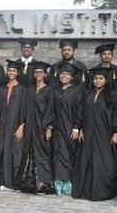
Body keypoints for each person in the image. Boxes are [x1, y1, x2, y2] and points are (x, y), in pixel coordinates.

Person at [73, 67, 117, 201]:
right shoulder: (88, 94)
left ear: (106, 80)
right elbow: (82, 112)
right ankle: (86, 190)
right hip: (88, 132)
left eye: (100, 78)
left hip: (105, 133)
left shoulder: (112, 95)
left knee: (103, 161)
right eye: (95, 78)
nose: (97, 81)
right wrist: (79, 128)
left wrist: (116, 132)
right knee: (86, 159)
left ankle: (101, 192)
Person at [18, 61, 55, 194]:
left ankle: (44, 184)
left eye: (41, 72)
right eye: (36, 72)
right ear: (33, 74)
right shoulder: (30, 90)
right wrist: (22, 125)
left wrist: (49, 128)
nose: (38, 74)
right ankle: (30, 183)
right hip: (29, 127)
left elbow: (51, 110)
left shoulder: (49, 90)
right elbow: (24, 108)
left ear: (45, 74)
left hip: (42, 128)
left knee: (42, 154)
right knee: (29, 152)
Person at [0, 59, 26, 190]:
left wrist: (21, 126)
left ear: (17, 73)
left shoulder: (22, 89)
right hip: (2, 125)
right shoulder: (2, 89)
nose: (11, 72)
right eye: (9, 70)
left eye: (14, 70)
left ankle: (12, 183)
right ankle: (1, 181)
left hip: (15, 125)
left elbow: (24, 108)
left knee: (14, 153)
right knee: (1, 152)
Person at [53, 62, 82, 196]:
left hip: (69, 127)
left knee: (67, 155)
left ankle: (67, 183)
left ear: (72, 77)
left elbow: (80, 111)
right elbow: (51, 110)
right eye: (62, 73)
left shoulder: (77, 90)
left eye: (67, 74)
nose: (64, 76)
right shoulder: (56, 89)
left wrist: (76, 128)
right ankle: (58, 182)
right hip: (56, 128)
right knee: (57, 154)